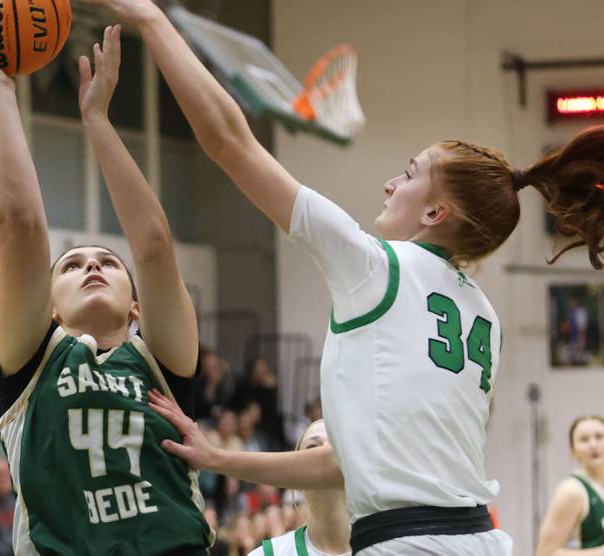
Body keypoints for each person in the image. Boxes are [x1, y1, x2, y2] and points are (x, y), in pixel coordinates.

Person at [90, 2, 604, 554]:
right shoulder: (484, 315)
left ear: (435, 215)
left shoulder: (374, 266)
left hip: (406, 543)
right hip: (478, 537)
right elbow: (345, 462)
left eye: (408, 175)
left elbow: (226, 140)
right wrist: (217, 457)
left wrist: (152, 20)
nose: (389, 183)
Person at [0, 23, 213, 554]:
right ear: (51, 310)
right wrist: (1, 93)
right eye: (70, 267)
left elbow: (154, 244)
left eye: (109, 262)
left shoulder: (161, 361)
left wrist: (98, 121)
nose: (92, 266)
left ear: (136, 306)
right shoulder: (30, 363)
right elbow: (20, 224)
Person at [248, 420, 350, 556]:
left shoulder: (383, 548)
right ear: (296, 473)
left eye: (335, 444)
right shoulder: (268, 553)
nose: (324, 452)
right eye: (312, 446)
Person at [537, 416, 604, 554]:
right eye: (584, 439)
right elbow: (545, 552)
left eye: (599, 436)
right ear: (573, 451)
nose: (593, 444)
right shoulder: (572, 490)